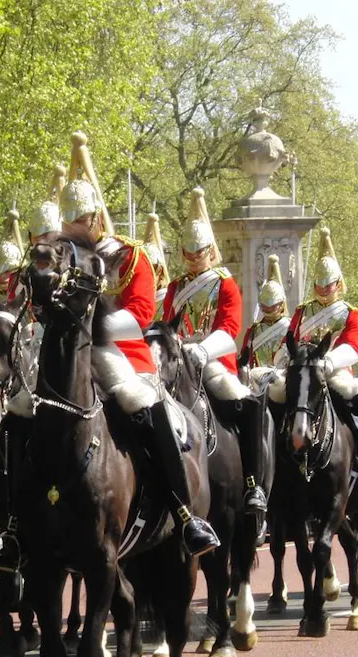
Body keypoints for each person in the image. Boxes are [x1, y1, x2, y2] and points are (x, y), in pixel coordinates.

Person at [54, 132, 218, 557]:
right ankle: (12, 520)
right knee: (19, 404)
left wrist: (94, 329)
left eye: (79, 222)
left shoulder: (131, 256)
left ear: (95, 218)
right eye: (67, 223)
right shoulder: (57, 257)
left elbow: (143, 312)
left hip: (118, 354)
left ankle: (185, 514)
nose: (73, 230)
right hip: (64, 352)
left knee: (148, 406)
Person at [162, 187, 267, 516]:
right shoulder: (176, 288)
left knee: (248, 407)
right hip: (178, 362)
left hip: (213, 362)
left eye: (200, 251)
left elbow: (230, 329)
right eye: (189, 252)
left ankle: (253, 484)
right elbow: (167, 325)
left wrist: (203, 351)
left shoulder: (225, 283)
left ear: (211, 250)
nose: (194, 257)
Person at [0, 166, 67, 572]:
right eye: (38, 238)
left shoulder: (82, 268)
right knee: (9, 427)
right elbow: (13, 323)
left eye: (50, 237)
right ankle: (15, 525)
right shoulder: (20, 279)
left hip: (76, 365)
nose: (43, 245)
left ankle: (181, 509)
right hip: (30, 370)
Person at [278, 227, 358, 486]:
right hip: (303, 368)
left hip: (333, 369)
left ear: (338, 284)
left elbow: (353, 346)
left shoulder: (349, 312)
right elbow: (289, 340)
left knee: (357, 396)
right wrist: (287, 359)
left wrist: (328, 362)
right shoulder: (303, 311)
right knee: (274, 396)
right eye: (320, 285)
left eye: (329, 285)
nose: (324, 290)